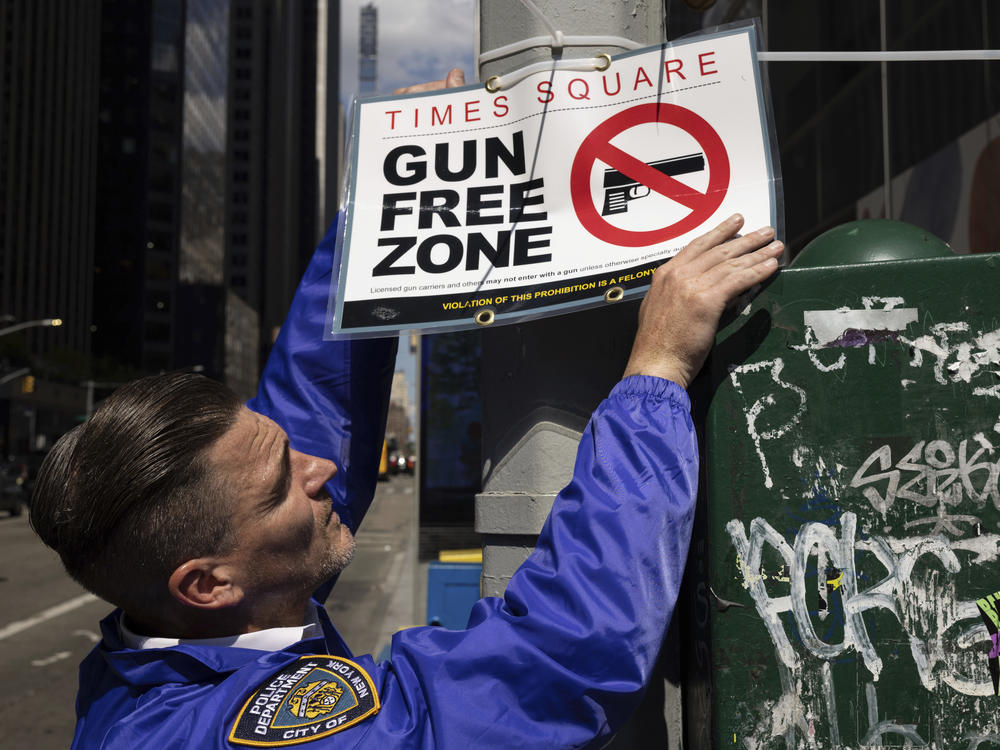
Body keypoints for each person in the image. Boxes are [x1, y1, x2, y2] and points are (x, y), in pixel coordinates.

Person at [29, 70, 783, 749]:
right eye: (279, 486)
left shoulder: (188, 637)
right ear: (207, 584)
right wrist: (656, 372)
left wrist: (382, 210)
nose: (319, 468)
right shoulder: (229, 735)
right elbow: (552, 664)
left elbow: (315, 410)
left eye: (284, 453)